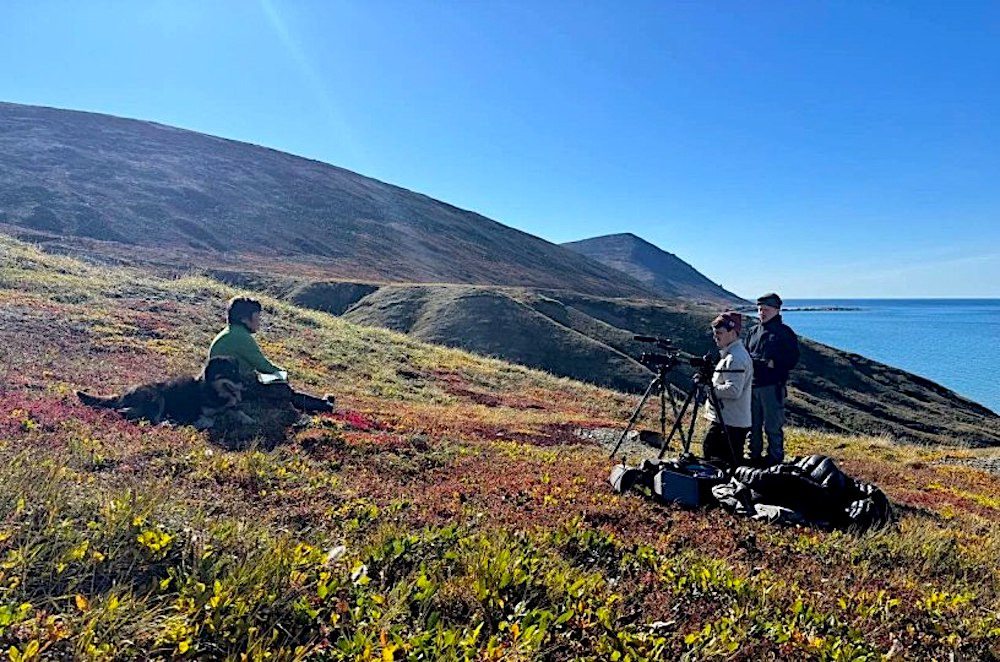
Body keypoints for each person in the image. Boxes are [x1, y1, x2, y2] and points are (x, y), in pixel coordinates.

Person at [208, 297, 334, 415]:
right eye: (257, 317)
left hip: (220, 386)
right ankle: (324, 406)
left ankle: (320, 404)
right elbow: (262, 365)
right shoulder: (241, 337)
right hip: (234, 388)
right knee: (282, 390)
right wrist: (281, 373)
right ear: (245, 319)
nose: (259, 321)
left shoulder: (229, 333)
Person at [745, 292, 800, 466]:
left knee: (772, 427)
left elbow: (791, 360)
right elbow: (746, 356)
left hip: (772, 386)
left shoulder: (785, 333)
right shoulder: (753, 331)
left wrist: (771, 363)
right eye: (760, 309)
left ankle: (775, 461)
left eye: (766, 309)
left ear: (777, 310)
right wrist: (764, 362)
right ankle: (753, 457)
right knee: (752, 426)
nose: (762, 313)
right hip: (752, 385)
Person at [699, 311, 753, 467]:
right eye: (715, 333)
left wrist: (709, 388)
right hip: (729, 421)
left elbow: (733, 390)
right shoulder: (733, 355)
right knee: (720, 459)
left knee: (718, 460)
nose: (716, 337)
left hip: (730, 423)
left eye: (720, 333)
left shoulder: (735, 358)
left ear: (733, 333)